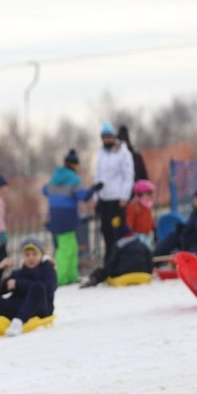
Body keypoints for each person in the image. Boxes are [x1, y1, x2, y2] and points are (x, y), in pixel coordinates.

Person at [43, 149, 103, 286]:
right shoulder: (73, 179)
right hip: (67, 216)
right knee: (66, 249)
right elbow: (83, 196)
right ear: (75, 165)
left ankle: (71, 275)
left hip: (54, 215)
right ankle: (60, 278)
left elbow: (44, 190)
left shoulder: (54, 177)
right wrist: (94, 189)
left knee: (71, 246)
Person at [95, 121, 135, 263]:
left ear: (113, 137)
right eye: (104, 138)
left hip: (118, 199)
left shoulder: (123, 152)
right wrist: (96, 196)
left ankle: (120, 260)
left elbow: (128, 175)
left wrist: (125, 196)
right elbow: (98, 176)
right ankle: (109, 261)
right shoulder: (101, 154)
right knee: (106, 233)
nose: (106, 140)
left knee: (118, 230)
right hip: (105, 198)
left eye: (108, 137)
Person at [79, 227, 153, 288]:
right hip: (143, 273)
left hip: (123, 274)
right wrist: (148, 272)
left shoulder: (118, 245)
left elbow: (110, 265)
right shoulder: (141, 244)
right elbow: (150, 261)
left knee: (104, 270)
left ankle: (94, 279)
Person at [126, 179, 157, 249]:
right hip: (137, 236)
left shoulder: (147, 206)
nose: (151, 196)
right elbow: (129, 222)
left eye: (152, 193)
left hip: (148, 235)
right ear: (139, 195)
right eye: (148, 194)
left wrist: (155, 229)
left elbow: (150, 220)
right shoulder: (134, 206)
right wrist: (129, 235)